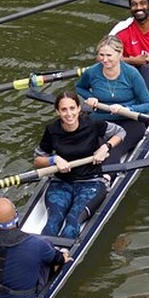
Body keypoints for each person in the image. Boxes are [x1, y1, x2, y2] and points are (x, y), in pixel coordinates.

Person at [34, 91, 127, 239]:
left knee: (73, 220)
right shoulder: (52, 130)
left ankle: (64, 255)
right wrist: (54, 160)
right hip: (61, 182)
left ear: (79, 108)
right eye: (64, 110)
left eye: (72, 108)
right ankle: (45, 255)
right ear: (57, 111)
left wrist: (105, 147)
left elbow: (120, 133)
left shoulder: (92, 124)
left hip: (91, 182)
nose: (69, 114)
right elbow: (38, 160)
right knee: (53, 221)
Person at [0, 197, 71, 298]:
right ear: (16, 216)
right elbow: (59, 259)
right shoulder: (37, 244)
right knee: (55, 255)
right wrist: (64, 255)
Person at [76, 35, 149, 161]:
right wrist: (91, 98)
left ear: (120, 53)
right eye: (101, 55)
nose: (104, 60)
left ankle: (106, 178)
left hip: (128, 120)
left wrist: (127, 108)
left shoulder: (132, 74)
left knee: (112, 149)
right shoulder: (91, 72)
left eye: (109, 55)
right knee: (85, 146)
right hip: (101, 119)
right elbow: (80, 87)